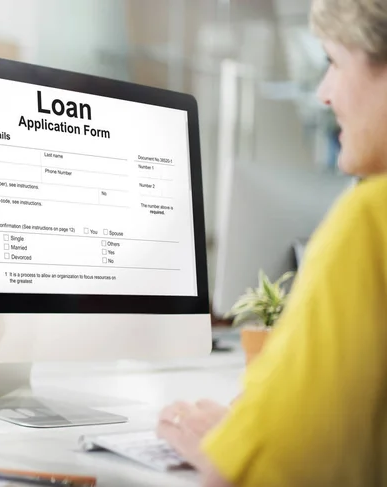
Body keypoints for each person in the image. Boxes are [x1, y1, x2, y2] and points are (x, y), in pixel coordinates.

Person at [156, 0, 387, 486]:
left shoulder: (370, 219)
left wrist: (228, 444)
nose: (324, 93)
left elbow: (274, 471)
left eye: (333, 62)